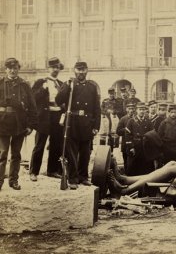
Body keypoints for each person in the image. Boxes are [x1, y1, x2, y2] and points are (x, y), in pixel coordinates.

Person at [55, 61, 101, 189]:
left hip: (87, 123)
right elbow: (58, 100)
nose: (81, 72)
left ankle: (83, 177)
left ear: (87, 71)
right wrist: (67, 87)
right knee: (72, 153)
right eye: (79, 70)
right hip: (72, 123)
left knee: (85, 152)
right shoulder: (70, 84)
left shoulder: (92, 87)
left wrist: (96, 126)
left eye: (83, 70)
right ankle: (73, 178)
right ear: (75, 70)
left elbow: (97, 108)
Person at [0, 58, 37, 190]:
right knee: (2, 153)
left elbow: (32, 106)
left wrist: (30, 125)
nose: (13, 70)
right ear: (6, 69)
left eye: (15, 68)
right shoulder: (0, 83)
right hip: (2, 123)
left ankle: (13, 181)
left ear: (18, 69)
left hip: (19, 124)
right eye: (10, 68)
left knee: (16, 154)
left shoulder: (24, 85)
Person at [30, 57, 65, 181]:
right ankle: (34, 172)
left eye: (57, 67)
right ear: (48, 68)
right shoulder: (41, 82)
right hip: (44, 117)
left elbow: (64, 101)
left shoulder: (61, 84)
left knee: (56, 144)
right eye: (53, 67)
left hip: (57, 116)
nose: (55, 69)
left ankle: (52, 170)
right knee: (40, 144)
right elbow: (33, 98)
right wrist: (43, 89)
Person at [125, 102, 154, 176]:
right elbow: (127, 135)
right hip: (135, 148)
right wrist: (131, 147)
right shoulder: (131, 121)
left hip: (145, 148)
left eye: (143, 109)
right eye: (140, 109)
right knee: (133, 168)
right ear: (136, 110)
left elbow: (152, 134)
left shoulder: (148, 121)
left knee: (146, 168)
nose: (142, 111)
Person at [116, 103, 135, 171]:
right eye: (129, 109)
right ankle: (127, 177)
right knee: (126, 162)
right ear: (127, 109)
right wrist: (127, 130)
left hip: (135, 144)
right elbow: (118, 131)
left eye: (132, 109)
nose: (131, 110)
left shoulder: (136, 118)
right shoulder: (123, 119)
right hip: (125, 145)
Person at [100, 87, 119, 152]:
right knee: (103, 134)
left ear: (114, 94)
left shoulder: (117, 101)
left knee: (111, 135)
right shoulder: (105, 101)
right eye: (110, 94)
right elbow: (101, 109)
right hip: (105, 119)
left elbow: (120, 110)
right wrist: (107, 111)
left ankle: (111, 151)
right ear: (108, 94)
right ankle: (101, 150)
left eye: (113, 94)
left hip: (113, 119)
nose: (111, 95)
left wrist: (113, 111)